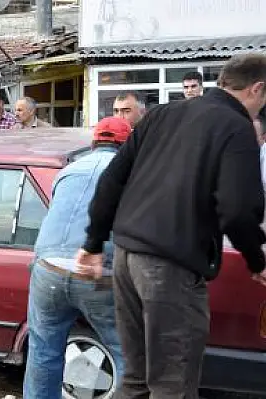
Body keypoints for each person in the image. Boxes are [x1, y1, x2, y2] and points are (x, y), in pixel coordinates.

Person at [76, 53, 266, 399]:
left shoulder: (163, 113)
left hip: (126, 258)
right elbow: (238, 210)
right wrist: (257, 259)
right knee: (171, 386)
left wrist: (92, 244)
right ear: (257, 89)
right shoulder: (236, 127)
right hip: (170, 270)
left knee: (136, 380)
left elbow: (111, 182)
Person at [23, 117, 131, 399]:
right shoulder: (132, 172)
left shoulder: (68, 171)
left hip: (48, 269)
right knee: (130, 359)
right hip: (98, 272)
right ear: (127, 145)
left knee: (43, 352)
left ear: (93, 143)